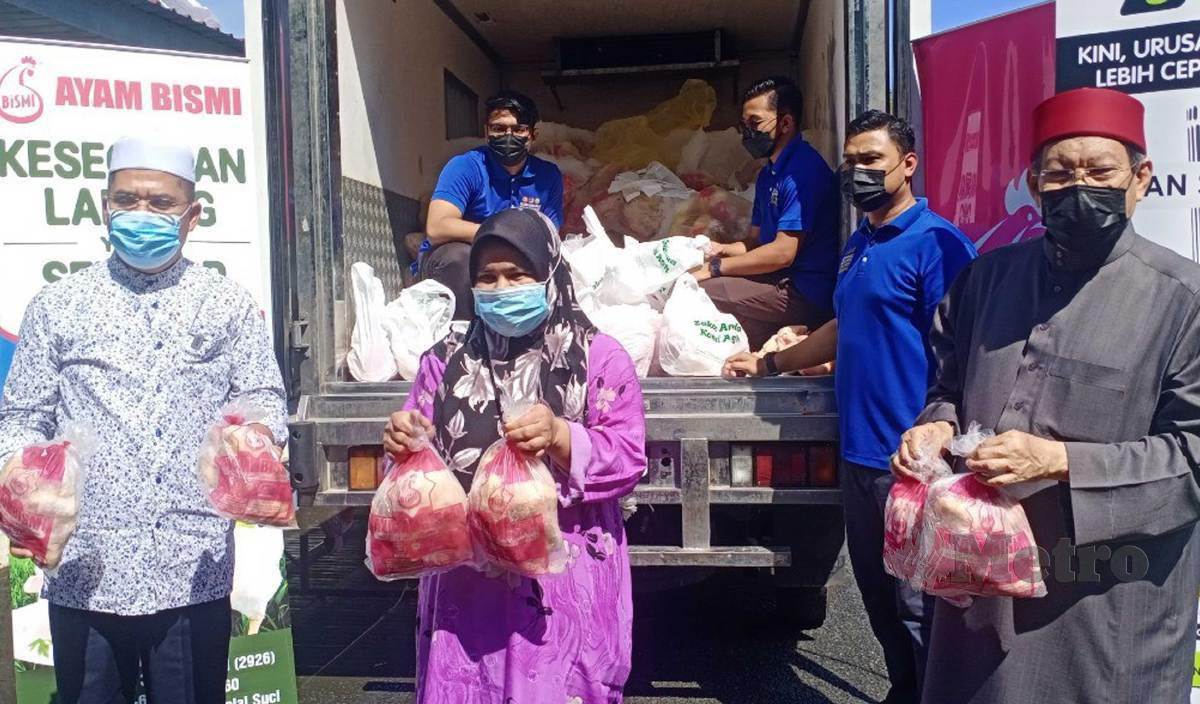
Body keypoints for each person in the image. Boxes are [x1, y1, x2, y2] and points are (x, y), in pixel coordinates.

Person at [894, 87, 1200, 703]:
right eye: (1059, 173)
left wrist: (1062, 462)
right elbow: (948, 386)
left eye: (1100, 170)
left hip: (1103, 605)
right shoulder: (986, 278)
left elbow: (1193, 452)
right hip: (978, 585)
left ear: (1141, 178)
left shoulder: (1182, 299)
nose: (1078, 185)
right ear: (1034, 185)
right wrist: (940, 426)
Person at [0, 137, 287, 703]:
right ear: (103, 206)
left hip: (191, 564)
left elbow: (264, 398)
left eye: (160, 204)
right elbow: (22, 416)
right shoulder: (58, 304)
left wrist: (254, 445)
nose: (141, 215)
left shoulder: (226, 304)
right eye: (126, 200)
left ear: (193, 215)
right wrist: (28, 485)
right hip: (86, 566)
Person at [724, 110, 976, 703]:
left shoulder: (937, 245)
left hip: (916, 463)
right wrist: (770, 364)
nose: (858, 171)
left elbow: (965, 347)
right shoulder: (859, 242)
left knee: (922, 606)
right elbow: (842, 326)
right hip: (860, 455)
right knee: (879, 597)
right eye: (852, 160)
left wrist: (942, 433)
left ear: (907, 165)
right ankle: (903, 691)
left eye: (873, 161)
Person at [383, 208, 647, 703]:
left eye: (517, 274)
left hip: (565, 579)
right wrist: (403, 445)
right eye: (487, 277)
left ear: (550, 273)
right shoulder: (444, 360)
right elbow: (415, 463)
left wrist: (562, 436)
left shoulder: (598, 356)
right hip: (469, 581)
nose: (502, 288)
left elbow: (629, 456)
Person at [691, 76, 840, 350]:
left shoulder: (802, 173)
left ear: (785, 123)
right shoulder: (768, 175)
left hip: (802, 291)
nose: (747, 133)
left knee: (700, 291)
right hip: (777, 281)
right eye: (744, 125)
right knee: (723, 321)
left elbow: (782, 253)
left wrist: (713, 270)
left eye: (755, 123)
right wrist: (716, 249)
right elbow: (756, 243)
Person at [420, 90, 564, 319]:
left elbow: (549, 236)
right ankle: (464, 336)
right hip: (464, 256)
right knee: (458, 259)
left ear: (533, 135)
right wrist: (500, 236)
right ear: (486, 132)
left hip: (516, 259)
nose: (509, 136)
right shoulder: (465, 166)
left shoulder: (547, 176)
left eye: (519, 129)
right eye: (499, 128)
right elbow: (437, 227)